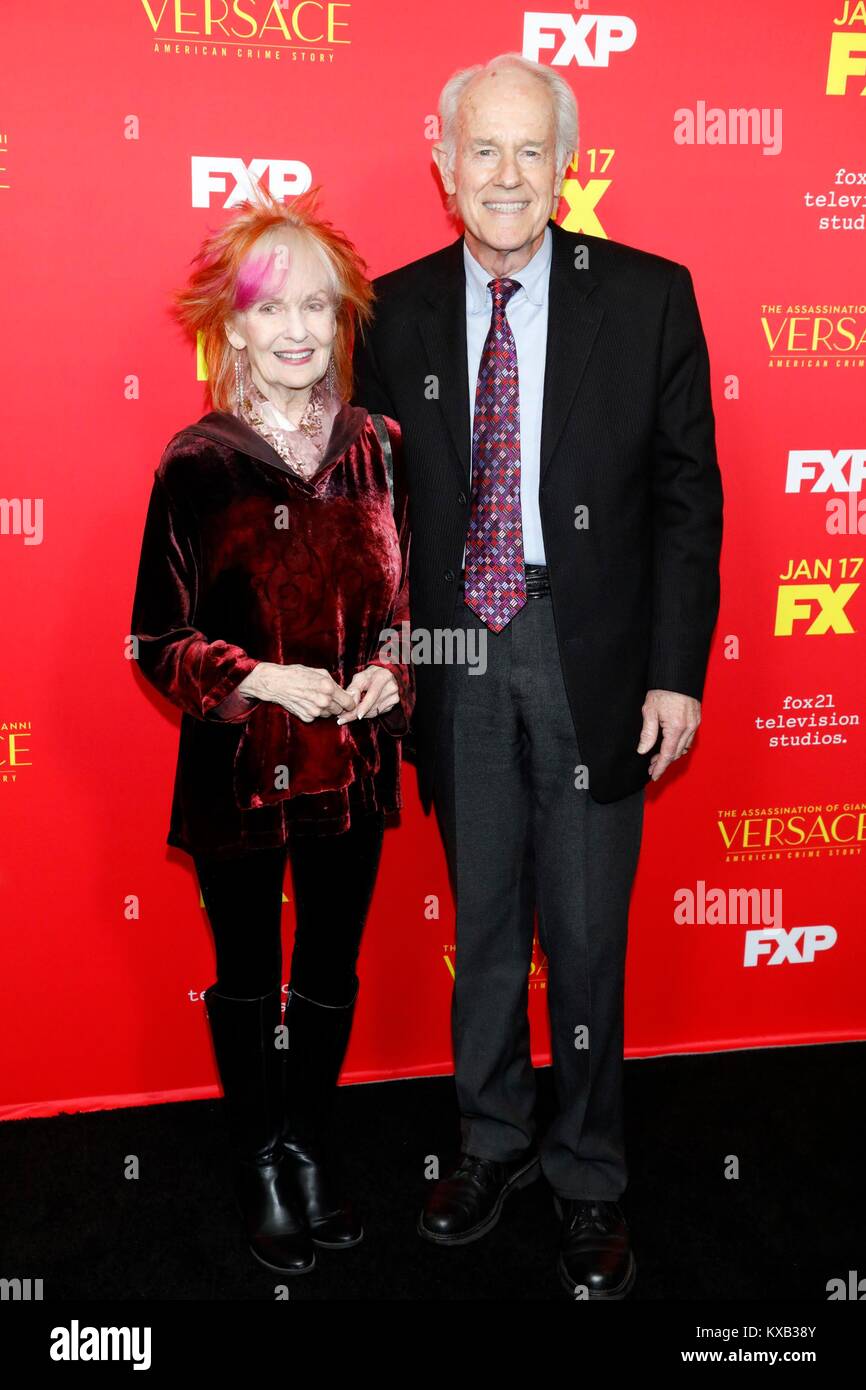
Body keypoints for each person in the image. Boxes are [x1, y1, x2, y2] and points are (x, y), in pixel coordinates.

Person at [353, 52, 723, 1298]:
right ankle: (490, 1143)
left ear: (566, 164)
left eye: (530, 152)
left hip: (594, 655)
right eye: (482, 151)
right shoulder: (387, 312)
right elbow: (364, 515)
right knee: (487, 919)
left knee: (582, 932)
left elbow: (684, 497)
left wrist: (675, 670)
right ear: (441, 159)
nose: (505, 176)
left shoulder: (646, 296)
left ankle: (586, 1178)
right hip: (455, 654)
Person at [129, 185, 413, 1276]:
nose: (296, 330)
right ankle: (259, 1158)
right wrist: (261, 679)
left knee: (329, 965)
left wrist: (392, 674)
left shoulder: (377, 445)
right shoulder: (194, 461)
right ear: (231, 323)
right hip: (238, 770)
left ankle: (307, 1143)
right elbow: (157, 639)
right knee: (248, 968)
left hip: (353, 768)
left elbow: (407, 612)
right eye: (270, 308)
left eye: (317, 307)